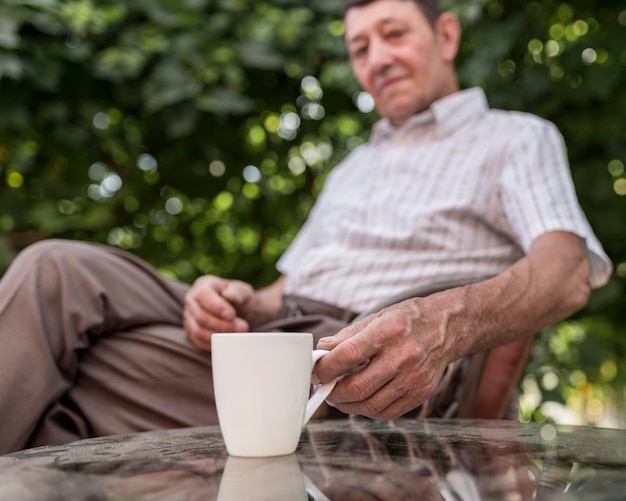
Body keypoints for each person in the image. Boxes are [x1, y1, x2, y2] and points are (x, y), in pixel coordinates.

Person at [0, 0, 612, 455]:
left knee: (65, 374)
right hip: (276, 327)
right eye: (359, 48)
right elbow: (280, 292)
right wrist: (235, 296)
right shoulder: (354, 164)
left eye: (393, 34)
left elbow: (567, 272)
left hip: (348, 357)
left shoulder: (514, 136)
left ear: (446, 34)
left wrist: (445, 322)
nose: (376, 60)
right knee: (55, 269)